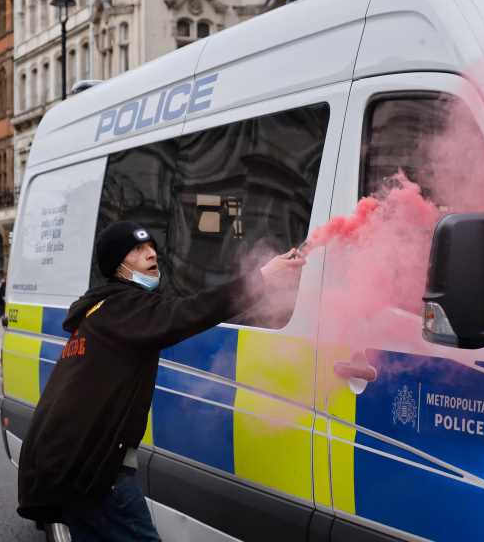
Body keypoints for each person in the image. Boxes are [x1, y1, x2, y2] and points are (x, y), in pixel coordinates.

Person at [16, 220, 304, 540]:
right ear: (118, 265)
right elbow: (189, 312)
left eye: (151, 246)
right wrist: (261, 279)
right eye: (138, 249)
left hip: (65, 466)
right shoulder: (123, 308)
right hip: (94, 472)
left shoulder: (102, 310)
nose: (151, 253)